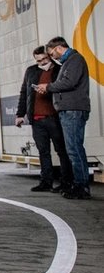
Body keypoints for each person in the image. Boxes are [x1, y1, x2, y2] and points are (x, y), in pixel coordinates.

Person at [36, 37, 92, 199]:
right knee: (73, 149)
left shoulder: (75, 60)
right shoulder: (69, 62)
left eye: (52, 53)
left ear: (59, 48)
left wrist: (49, 87)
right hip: (69, 110)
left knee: (74, 149)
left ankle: (82, 187)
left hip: (73, 110)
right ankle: (79, 185)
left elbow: (69, 82)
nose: (53, 57)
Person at [14, 45, 72, 192]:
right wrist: (20, 114)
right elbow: (24, 93)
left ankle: (66, 182)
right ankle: (46, 182)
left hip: (55, 118)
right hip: (37, 119)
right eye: (39, 61)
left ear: (50, 56)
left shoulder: (59, 69)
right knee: (43, 151)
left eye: (45, 59)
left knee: (62, 150)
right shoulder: (31, 71)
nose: (42, 63)